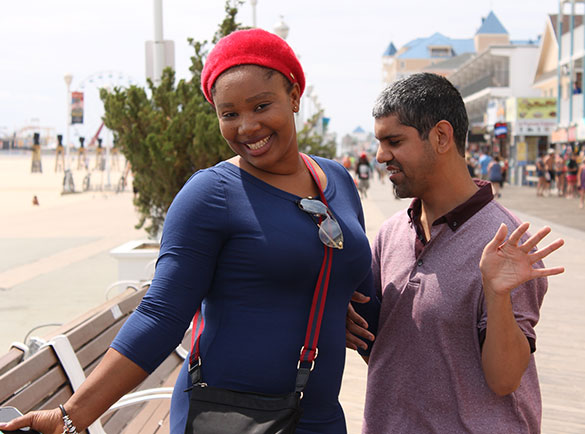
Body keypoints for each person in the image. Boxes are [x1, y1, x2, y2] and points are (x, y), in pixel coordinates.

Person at [1, 28, 375, 434]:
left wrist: (329, 302)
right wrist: (71, 417)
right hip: (227, 417)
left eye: (261, 105)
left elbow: (359, 285)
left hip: (320, 417)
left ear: (295, 96)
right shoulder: (211, 194)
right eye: (229, 113)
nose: (246, 127)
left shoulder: (335, 178)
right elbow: (161, 314)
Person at [347, 73, 564, 433]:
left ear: (441, 136)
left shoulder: (506, 244)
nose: (382, 155)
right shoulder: (390, 233)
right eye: (380, 142)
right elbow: (379, 344)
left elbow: (505, 379)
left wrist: (497, 295)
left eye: (394, 141)